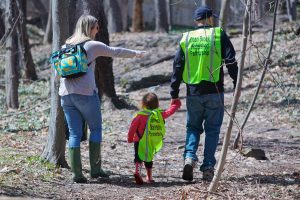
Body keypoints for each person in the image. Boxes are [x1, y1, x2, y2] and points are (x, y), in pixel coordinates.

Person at [59, 14, 146, 183]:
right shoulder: (92, 45)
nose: (98, 30)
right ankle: (96, 169)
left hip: (66, 95)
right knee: (96, 129)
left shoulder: (65, 45)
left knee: (75, 134)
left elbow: (58, 72)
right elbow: (116, 52)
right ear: (90, 28)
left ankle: (77, 174)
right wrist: (137, 53)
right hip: (86, 94)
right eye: (97, 27)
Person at [170, 6, 238, 181]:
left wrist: (174, 91)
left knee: (193, 127)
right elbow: (230, 59)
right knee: (213, 130)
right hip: (215, 91)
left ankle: (189, 157)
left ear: (196, 21)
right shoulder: (218, 34)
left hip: (193, 92)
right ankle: (208, 167)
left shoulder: (187, 38)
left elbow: (177, 66)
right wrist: (237, 81)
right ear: (209, 19)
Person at [127, 93, 181, 184]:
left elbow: (133, 127)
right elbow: (169, 112)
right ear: (157, 104)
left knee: (138, 157)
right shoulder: (158, 115)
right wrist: (175, 105)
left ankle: (137, 171)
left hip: (139, 140)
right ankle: (149, 177)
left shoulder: (140, 115)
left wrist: (129, 138)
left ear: (143, 104)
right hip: (151, 141)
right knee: (149, 158)